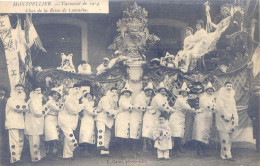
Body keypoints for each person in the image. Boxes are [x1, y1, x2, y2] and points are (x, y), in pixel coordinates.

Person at [142, 82, 174, 152]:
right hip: (150, 115)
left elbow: (167, 106)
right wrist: (168, 110)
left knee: (154, 129)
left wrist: (173, 110)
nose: (163, 92)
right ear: (159, 91)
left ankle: (152, 145)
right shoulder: (157, 97)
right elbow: (161, 106)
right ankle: (144, 146)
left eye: (164, 91)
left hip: (156, 115)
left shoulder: (164, 98)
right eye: (162, 91)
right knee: (147, 129)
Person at [169, 82, 195, 157]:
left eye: (185, 92)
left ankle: (178, 149)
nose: (184, 93)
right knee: (176, 134)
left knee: (180, 134)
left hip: (181, 117)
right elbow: (187, 107)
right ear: (180, 93)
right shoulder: (179, 99)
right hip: (176, 117)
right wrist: (194, 110)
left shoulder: (185, 99)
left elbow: (187, 106)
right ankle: (175, 151)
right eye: (183, 92)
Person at [58, 84, 83, 159]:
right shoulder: (69, 98)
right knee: (70, 135)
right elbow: (73, 110)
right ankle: (76, 146)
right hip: (64, 119)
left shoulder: (76, 99)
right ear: (72, 89)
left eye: (78, 88)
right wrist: (82, 106)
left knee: (67, 137)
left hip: (70, 120)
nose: (77, 90)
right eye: (76, 88)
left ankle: (67, 155)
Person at [215, 82, 238, 161]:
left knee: (229, 138)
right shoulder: (221, 97)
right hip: (223, 120)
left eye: (230, 86)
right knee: (224, 138)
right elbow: (219, 109)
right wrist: (225, 117)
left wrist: (234, 119)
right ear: (224, 87)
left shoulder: (232, 98)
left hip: (231, 120)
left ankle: (226, 154)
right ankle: (226, 155)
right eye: (227, 86)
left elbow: (234, 109)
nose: (229, 87)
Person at [5, 84, 28, 164]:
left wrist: (24, 107)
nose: (19, 91)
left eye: (21, 89)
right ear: (14, 90)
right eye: (18, 89)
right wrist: (24, 107)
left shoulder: (22, 100)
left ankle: (18, 157)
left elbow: (26, 108)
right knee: (14, 141)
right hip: (12, 123)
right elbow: (17, 108)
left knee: (21, 140)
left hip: (20, 123)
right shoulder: (10, 99)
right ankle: (14, 159)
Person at [131, 82, 154, 158]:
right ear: (145, 91)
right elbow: (136, 106)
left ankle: (137, 151)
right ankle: (133, 152)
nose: (149, 93)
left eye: (150, 92)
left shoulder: (148, 98)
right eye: (148, 91)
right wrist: (145, 107)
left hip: (140, 116)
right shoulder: (139, 97)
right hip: (135, 116)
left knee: (138, 134)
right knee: (134, 134)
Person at [192, 82, 215, 156]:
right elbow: (206, 106)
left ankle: (203, 150)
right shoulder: (203, 97)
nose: (210, 92)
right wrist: (213, 108)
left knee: (206, 133)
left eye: (211, 90)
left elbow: (215, 106)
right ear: (206, 91)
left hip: (209, 116)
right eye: (209, 90)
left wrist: (214, 108)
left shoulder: (213, 98)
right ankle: (199, 150)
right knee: (200, 133)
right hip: (202, 116)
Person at [25, 85, 46, 162]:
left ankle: (40, 156)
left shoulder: (39, 100)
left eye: (40, 90)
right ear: (33, 92)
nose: (39, 92)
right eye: (37, 90)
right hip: (32, 124)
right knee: (34, 140)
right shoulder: (32, 100)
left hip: (38, 124)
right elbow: (36, 112)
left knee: (38, 140)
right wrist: (45, 110)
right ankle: (35, 158)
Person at [96, 87, 119, 156]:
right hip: (101, 117)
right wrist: (116, 112)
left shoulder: (115, 101)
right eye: (113, 92)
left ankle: (105, 151)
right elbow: (107, 110)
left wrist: (117, 111)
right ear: (109, 92)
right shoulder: (105, 98)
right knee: (101, 131)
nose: (114, 94)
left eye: (116, 92)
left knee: (107, 134)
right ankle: (100, 145)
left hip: (109, 120)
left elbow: (116, 109)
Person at [44, 86, 64, 160]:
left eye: (57, 95)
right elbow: (59, 109)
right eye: (55, 94)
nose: (56, 96)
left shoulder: (57, 102)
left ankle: (54, 154)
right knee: (52, 137)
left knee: (56, 137)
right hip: (49, 119)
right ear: (52, 95)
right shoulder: (50, 102)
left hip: (55, 119)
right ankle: (52, 154)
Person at [115, 82, 134, 159]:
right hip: (121, 117)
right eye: (125, 92)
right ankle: (121, 152)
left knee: (127, 135)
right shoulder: (121, 99)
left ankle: (126, 151)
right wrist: (132, 107)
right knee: (121, 135)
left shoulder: (131, 99)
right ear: (123, 93)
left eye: (128, 92)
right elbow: (126, 107)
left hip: (128, 117)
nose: (127, 94)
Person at [79, 91, 98, 156]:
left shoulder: (92, 104)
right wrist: (97, 111)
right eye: (87, 96)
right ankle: (85, 150)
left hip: (91, 119)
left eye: (90, 96)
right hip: (86, 119)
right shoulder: (85, 103)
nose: (89, 97)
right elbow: (91, 112)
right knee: (86, 134)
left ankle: (89, 150)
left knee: (90, 134)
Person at [248, 74, 260, 151]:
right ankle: (258, 147)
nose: (257, 92)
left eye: (258, 91)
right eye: (255, 91)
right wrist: (253, 117)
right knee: (258, 133)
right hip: (257, 118)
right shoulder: (252, 100)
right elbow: (249, 110)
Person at [0, 86, 7, 165]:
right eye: (0, 90)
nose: (1, 92)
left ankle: (4, 150)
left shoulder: (7, 100)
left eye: (3, 91)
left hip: (5, 120)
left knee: (4, 136)